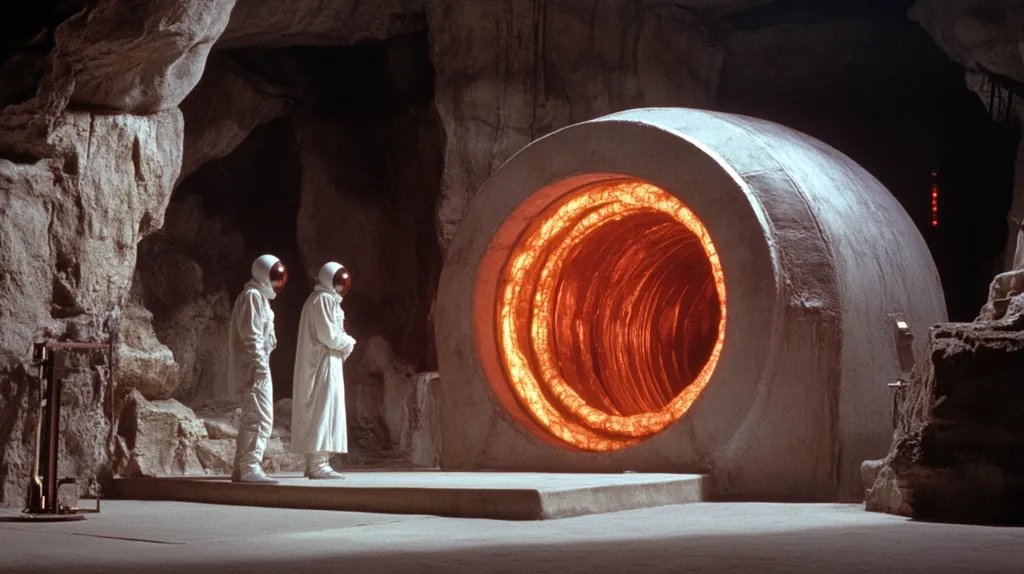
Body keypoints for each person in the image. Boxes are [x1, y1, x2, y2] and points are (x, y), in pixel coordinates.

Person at [291, 261, 356, 479]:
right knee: (323, 409)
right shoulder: (323, 300)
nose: (342, 286)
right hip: (323, 363)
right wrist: (349, 341)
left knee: (327, 409)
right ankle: (318, 462)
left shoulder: (323, 300)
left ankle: (318, 462)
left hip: (327, 361)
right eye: (338, 281)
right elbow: (328, 335)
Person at [228, 254, 288, 484]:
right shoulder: (252, 296)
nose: (277, 283)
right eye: (274, 277)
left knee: (253, 416)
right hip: (253, 369)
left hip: (256, 366)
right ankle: (250, 467)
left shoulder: (258, 297)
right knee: (259, 417)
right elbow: (251, 335)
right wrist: (260, 366)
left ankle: (241, 467)